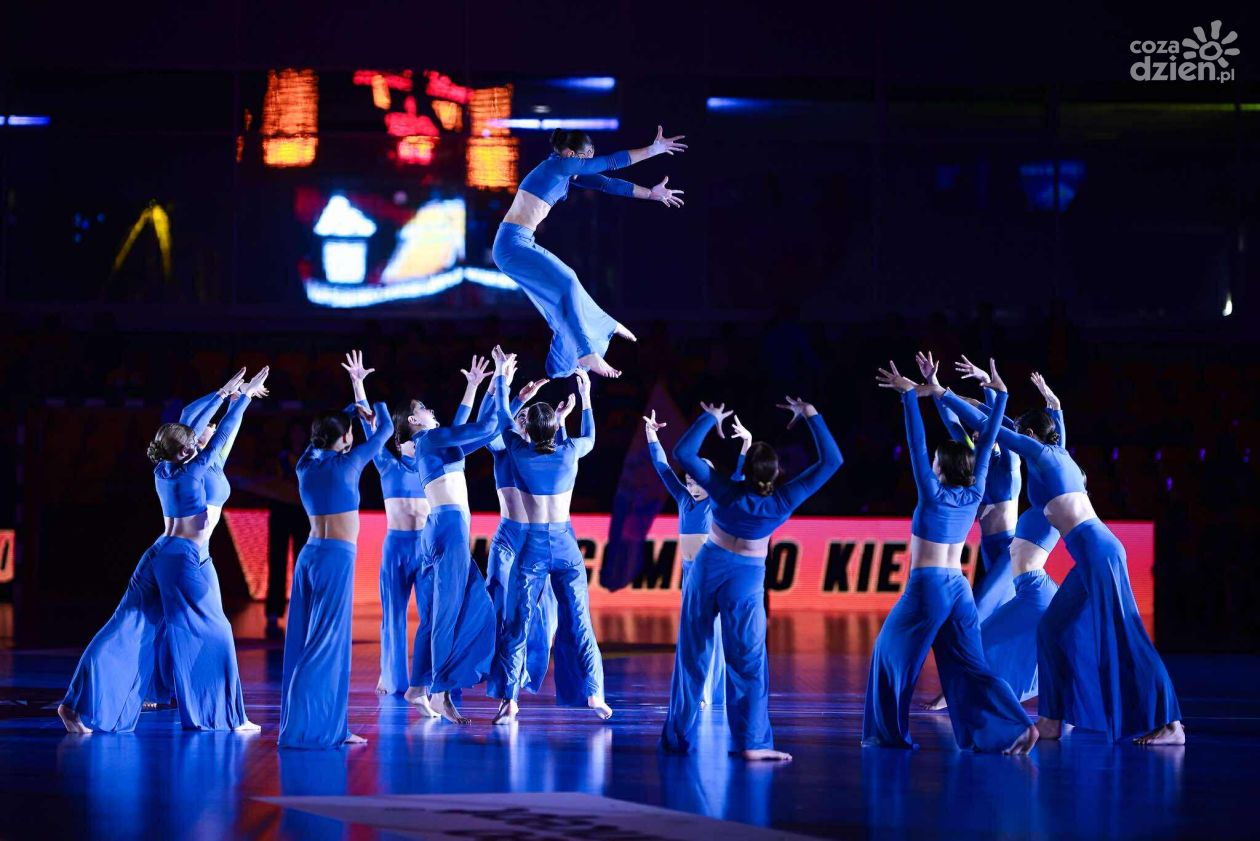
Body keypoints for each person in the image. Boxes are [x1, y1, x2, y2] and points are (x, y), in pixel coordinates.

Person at [938, 365, 1184, 745]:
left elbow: (994, 428)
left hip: (1100, 552)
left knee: (1127, 636)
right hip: (1088, 557)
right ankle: (1052, 719)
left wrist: (944, 394)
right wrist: (1053, 406)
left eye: (1023, 434)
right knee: (1052, 629)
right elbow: (1014, 426)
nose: (1018, 440)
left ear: (1032, 436)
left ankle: (1171, 725)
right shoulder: (1057, 454)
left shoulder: (1044, 455)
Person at [60, 368, 270, 734]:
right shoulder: (196, 467)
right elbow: (219, 432)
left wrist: (223, 394)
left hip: (166, 553)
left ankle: (74, 704)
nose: (203, 431)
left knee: (126, 624)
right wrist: (245, 398)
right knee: (217, 631)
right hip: (183, 558)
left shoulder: (164, 468)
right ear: (188, 448)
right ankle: (226, 717)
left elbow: (192, 421)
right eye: (195, 437)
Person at [862, 359, 1037, 754]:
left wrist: (910, 399)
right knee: (969, 664)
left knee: (889, 653)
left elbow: (916, 444)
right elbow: (986, 438)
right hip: (958, 588)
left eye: (935, 461)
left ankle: (887, 736)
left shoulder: (931, 491)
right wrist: (1000, 395)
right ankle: (1016, 727)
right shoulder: (975, 489)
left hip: (928, 587)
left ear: (939, 467)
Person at [661, 396, 843, 761]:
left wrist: (709, 418)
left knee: (693, 653)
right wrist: (811, 414)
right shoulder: (782, 500)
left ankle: (677, 739)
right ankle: (752, 744)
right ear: (775, 474)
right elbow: (832, 461)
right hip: (745, 576)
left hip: (708, 567)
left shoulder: (725, 490)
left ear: (747, 471)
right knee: (747, 659)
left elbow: (683, 454)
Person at [493, 126, 687, 379]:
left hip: (521, 242)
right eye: (586, 159)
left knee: (567, 286)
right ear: (571, 154)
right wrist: (653, 150)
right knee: (567, 282)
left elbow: (607, 183)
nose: (588, 164)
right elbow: (611, 162)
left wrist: (650, 194)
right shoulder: (558, 166)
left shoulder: (566, 172)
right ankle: (586, 351)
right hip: (511, 245)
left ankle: (583, 343)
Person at [490, 369, 611, 724]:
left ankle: (510, 700)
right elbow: (590, 437)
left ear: (528, 430)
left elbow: (503, 418)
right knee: (580, 621)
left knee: (518, 623)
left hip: (534, 548)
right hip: (566, 547)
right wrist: (585, 397)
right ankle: (595, 693)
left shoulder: (518, 451)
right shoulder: (569, 451)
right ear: (556, 428)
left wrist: (503, 380)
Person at [279, 378, 393, 749]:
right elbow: (386, 429)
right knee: (327, 643)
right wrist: (369, 401)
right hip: (335, 559)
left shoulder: (305, 467)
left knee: (311, 639)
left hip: (309, 556)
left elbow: (319, 440)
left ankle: (332, 725)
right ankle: (306, 726)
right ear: (345, 439)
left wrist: (348, 412)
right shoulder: (350, 463)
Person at [404, 346, 515, 724]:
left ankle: (418, 686)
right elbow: (486, 429)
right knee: (454, 612)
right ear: (414, 421)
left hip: (438, 529)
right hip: (449, 529)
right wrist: (501, 379)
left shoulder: (435, 444)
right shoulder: (431, 439)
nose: (430, 409)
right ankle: (439, 692)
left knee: (435, 615)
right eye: (423, 409)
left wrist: (484, 389)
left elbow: (474, 430)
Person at [340, 350, 433, 701]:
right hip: (396, 548)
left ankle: (427, 677)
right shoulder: (387, 465)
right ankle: (391, 674)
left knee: (431, 614)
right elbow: (370, 429)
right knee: (393, 614)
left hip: (426, 547)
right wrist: (358, 384)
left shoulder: (434, 465)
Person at [643, 409, 749, 709]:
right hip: (690, 575)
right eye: (689, 479)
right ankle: (699, 687)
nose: (691, 484)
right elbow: (663, 468)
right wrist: (651, 435)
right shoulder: (683, 500)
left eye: (697, 479)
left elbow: (739, 477)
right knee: (694, 633)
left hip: (712, 575)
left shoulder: (717, 501)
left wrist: (746, 443)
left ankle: (707, 691)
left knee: (711, 632)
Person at [480, 375, 561, 706]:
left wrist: (562, 420)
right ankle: (506, 693)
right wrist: (517, 397)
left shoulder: (545, 453)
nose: (524, 418)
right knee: (504, 613)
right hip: (509, 540)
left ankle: (523, 673)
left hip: (537, 541)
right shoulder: (504, 448)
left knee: (543, 616)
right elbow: (488, 428)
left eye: (529, 416)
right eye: (520, 415)